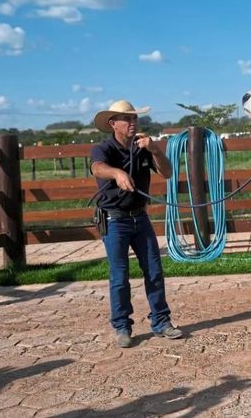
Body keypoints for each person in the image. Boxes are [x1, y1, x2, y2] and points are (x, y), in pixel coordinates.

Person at [90, 100, 183, 347]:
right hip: (114, 220)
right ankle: (122, 326)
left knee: (154, 270)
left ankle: (161, 322)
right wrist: (117, 173)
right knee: (119, 276)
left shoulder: (143, 147)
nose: (133, 123)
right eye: (127, 119)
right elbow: (97, 168)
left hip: (140, 218)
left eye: (135, 119)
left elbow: (167, 173)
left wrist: (155, 151)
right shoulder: (103, 148)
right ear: (113, 124)